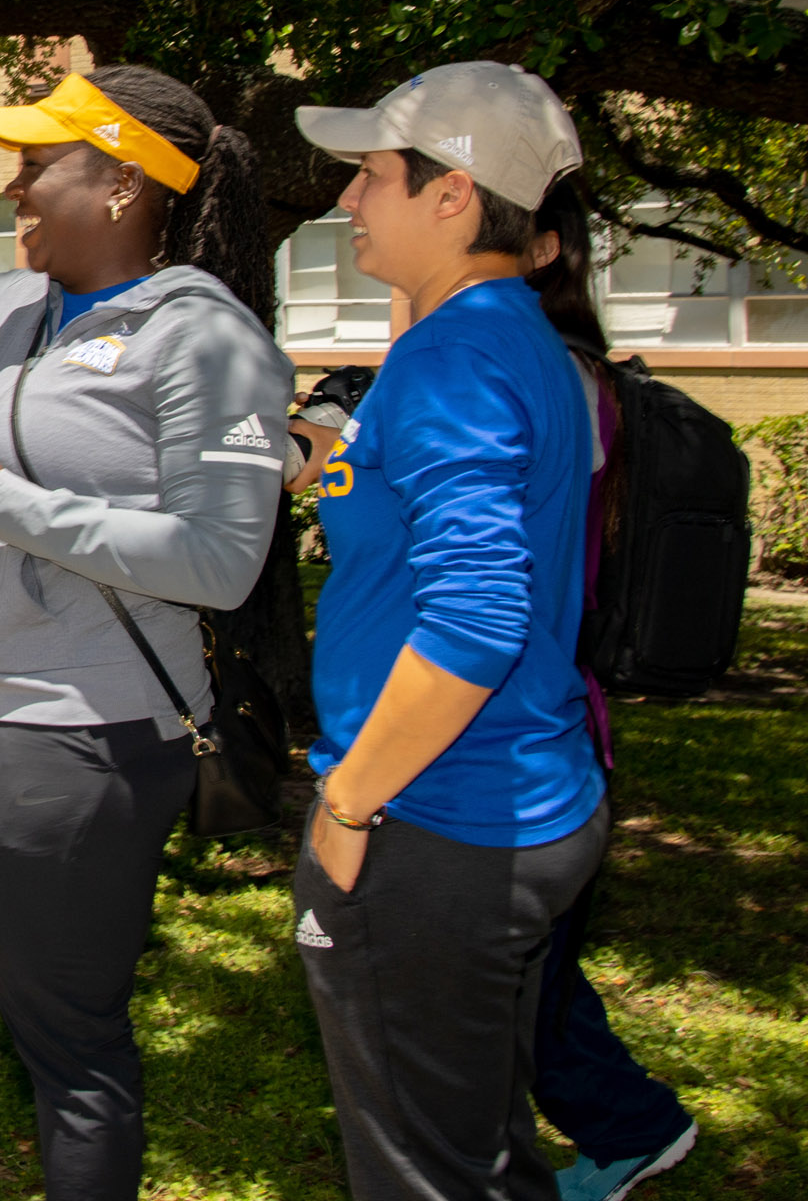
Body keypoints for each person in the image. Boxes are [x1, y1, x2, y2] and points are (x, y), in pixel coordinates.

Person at [0, 20, 294, 1201]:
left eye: (42, 162)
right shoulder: (18, 307)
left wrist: (8, 503)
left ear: (125, 183)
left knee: (65, 1032)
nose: (15, 181)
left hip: (83, 731)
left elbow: (224, 557)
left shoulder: (208, 337)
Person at [287, 62, 609, 1200]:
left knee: (421, 1170)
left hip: (438, 819)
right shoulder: (514, 333)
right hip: (520, 800)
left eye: (371, 176)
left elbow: (477, 616)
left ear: (452, 194)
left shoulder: (454, 353)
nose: (346, 202)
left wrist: (347, 800)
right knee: (476, 1147)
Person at [522, 186, 698, 1201]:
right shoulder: (569, 377)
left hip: (536, 728)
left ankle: (629, 1122)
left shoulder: (554, 382)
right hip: (557, 721)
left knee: (516, 980)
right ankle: (632, 1120)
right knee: (534, 971)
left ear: (544, 249)